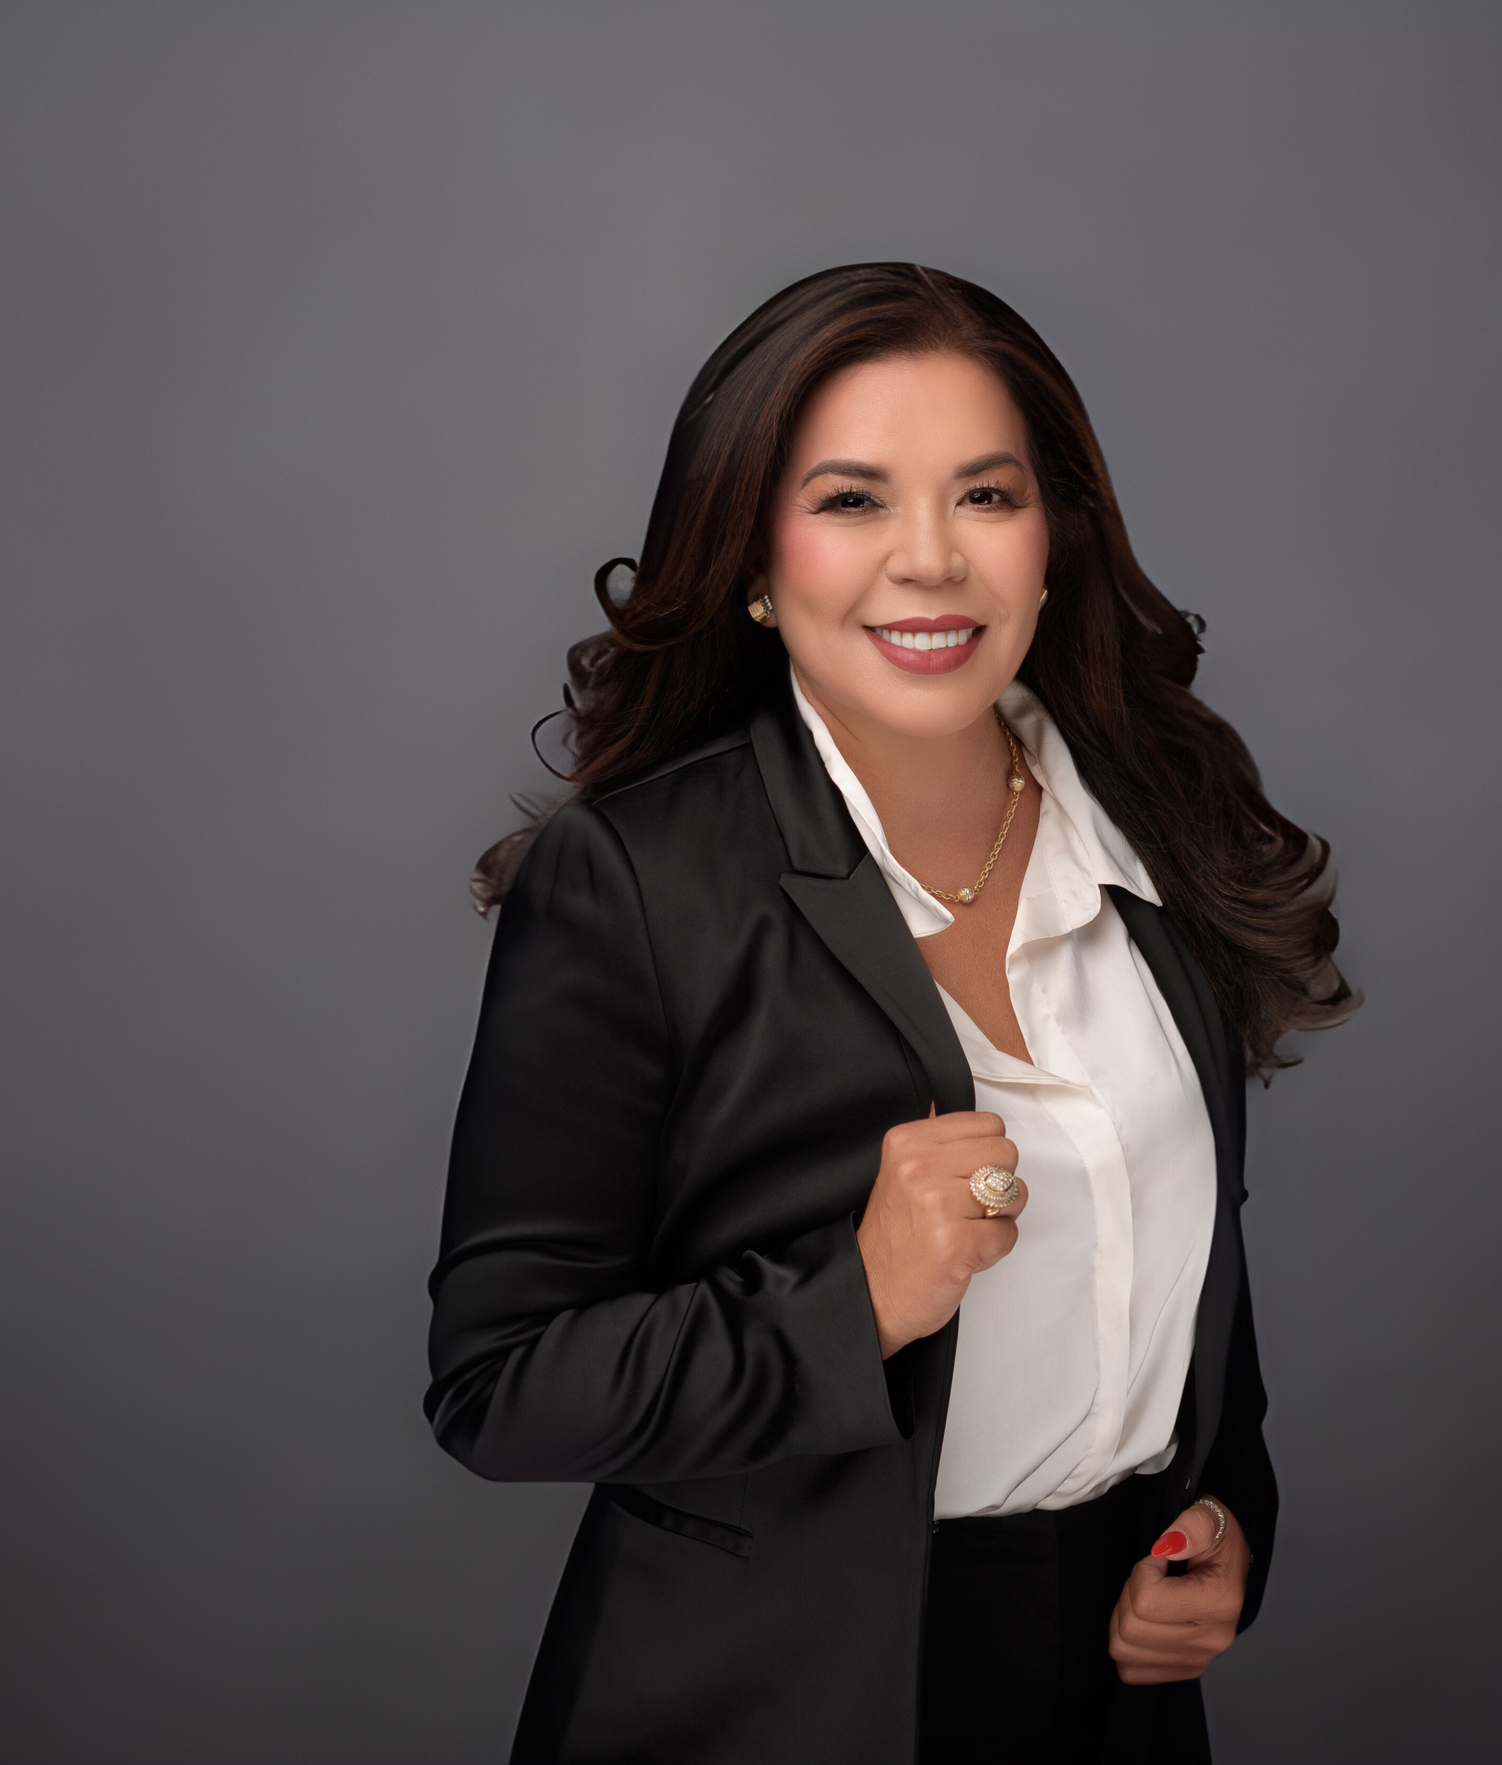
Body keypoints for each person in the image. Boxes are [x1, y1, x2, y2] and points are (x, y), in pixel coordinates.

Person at [425, 264, 1354, 1765]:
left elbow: (1191, 1269)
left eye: (987, 496)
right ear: (753, 556)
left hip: (1115, 1704)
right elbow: (500, 1384)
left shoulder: (1154, 837)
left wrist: (1223, 1515)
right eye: (852, 500)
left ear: (1054, 542)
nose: (930, 560)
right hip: (779, 1701)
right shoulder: (636, 880)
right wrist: (853, 1302)